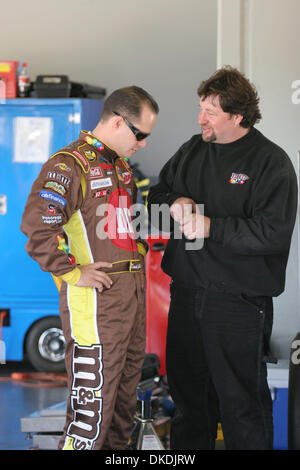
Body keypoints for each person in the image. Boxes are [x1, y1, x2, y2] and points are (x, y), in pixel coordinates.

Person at [147, 66, 298, 450]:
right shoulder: (192, 150)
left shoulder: (270, 163)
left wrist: (212, 227)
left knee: (241, 406)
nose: (201, 118)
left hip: (239, 303)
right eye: (201, 108)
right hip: (186, 295)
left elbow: (272, 233)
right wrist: (173, 200)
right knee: (189, 404)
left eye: (211, 112)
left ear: (238, 116)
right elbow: (156, 194)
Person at [21, 86, 159, 450]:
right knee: (91, 416)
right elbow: (38, 228)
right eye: (140, 134)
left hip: (130, 296)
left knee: (121, 412)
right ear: (118, 121)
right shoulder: (69, 164)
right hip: (96, 302)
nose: (143, 143)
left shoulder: (120, 166)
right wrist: (73, 272)